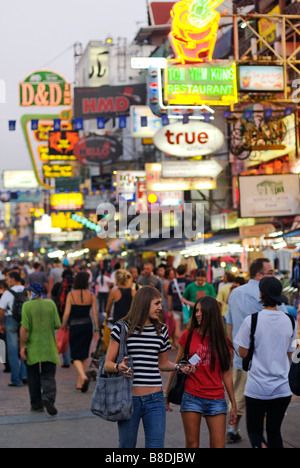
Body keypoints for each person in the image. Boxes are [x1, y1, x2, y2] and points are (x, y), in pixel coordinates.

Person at [104, 286, 194, 448]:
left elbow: (162, 363)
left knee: (156, 448)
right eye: (157, 303)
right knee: (127, 446)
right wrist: (119, 366)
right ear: (144, 303)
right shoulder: (121, 328)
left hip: (155, 399)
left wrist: (179, 367)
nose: (160, 307)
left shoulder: (161, 330)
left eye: (161, 303)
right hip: (129, 399)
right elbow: (107, 364)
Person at [225, 258, 287, 443]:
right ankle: (266, 436)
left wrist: (234, 349)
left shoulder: (235, 293)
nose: (273, 276)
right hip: (264, 361)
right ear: (259, 275)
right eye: (270, 273)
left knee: (237, 395)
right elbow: (282, 320)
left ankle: (232, 428)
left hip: (240, 356)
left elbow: (228, 324)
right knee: (264, 401)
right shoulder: (267, 294)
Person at [165, 296, 237, 448]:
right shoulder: (188, 335)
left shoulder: (223, 341)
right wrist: (167, 394)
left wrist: (233, 404)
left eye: (202, 312)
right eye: (196, 311)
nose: (198, 314)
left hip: (216, 399)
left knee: (218, 446)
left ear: (212, 313)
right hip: (192, 396)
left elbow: (226, 374)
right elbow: (177, 365)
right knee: (192, 445)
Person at [234, 277, 296, 448]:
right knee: (275, 432)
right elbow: (290, 352)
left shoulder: (251, 321)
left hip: (256, 388)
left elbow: (242, 352)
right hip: (282, 388)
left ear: (260, 294)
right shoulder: (290, 320)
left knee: (255, 432)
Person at [20, 283, 61, 416]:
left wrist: (22, 346)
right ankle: (48, 397)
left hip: (32, 347)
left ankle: (36, 405)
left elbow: (24, 328)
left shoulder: (27, 306)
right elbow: (57, 324)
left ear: (32, 292)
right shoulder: (51, 304)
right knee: (48, 375)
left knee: (33, 376)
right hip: (49, 346)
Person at [61, 272, 100, 392]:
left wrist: (63, 325)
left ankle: (83, 377)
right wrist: (96, 329)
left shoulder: (71, 295)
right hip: (87, 326)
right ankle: (80, 382)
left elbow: (67, 313)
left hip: (75, 326)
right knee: (83, 354)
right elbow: (94, 314)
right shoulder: (91, 295)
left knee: (75, 356)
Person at [0, 272, 27, 387]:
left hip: (11, 320)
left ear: (13, 280)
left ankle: (15, 379)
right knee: (25, 348)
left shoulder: (7, 293)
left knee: (13, 351)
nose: (7, 282)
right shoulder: (27, 290)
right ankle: (25, 375)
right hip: (25, 321)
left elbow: (1, 310)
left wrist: (1, 323)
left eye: (8, 280)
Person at [167, 264, 191, 347]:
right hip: (186, 308)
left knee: (177, 326)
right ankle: (185, 344)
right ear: (185, 272)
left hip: (175, 307)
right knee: (186, 326)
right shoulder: (188, 282)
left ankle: (181, 343)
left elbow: (169, 297)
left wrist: (169, 309)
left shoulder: (172, 283)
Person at [0, 280, 10, 373]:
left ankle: (8, 366)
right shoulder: (8, 294)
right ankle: (8, 365)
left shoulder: (4, 295)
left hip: (2, 322)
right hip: (7, 320)